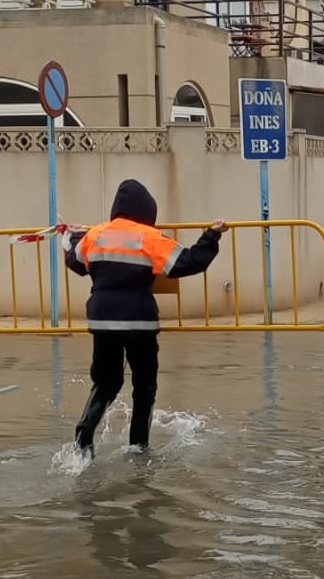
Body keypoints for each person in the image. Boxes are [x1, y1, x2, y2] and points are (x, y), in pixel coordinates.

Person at [54, 180, 225, 455]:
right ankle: (138, 448)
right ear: (147, 210)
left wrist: (72, 236)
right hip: (139, 321)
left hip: (102, 320)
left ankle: (85, 429)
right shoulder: (150, 237)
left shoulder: (96, 234)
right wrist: (211, 236)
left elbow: (75, 262)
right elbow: (188, 262)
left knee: (106, 382)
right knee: (144, 386)